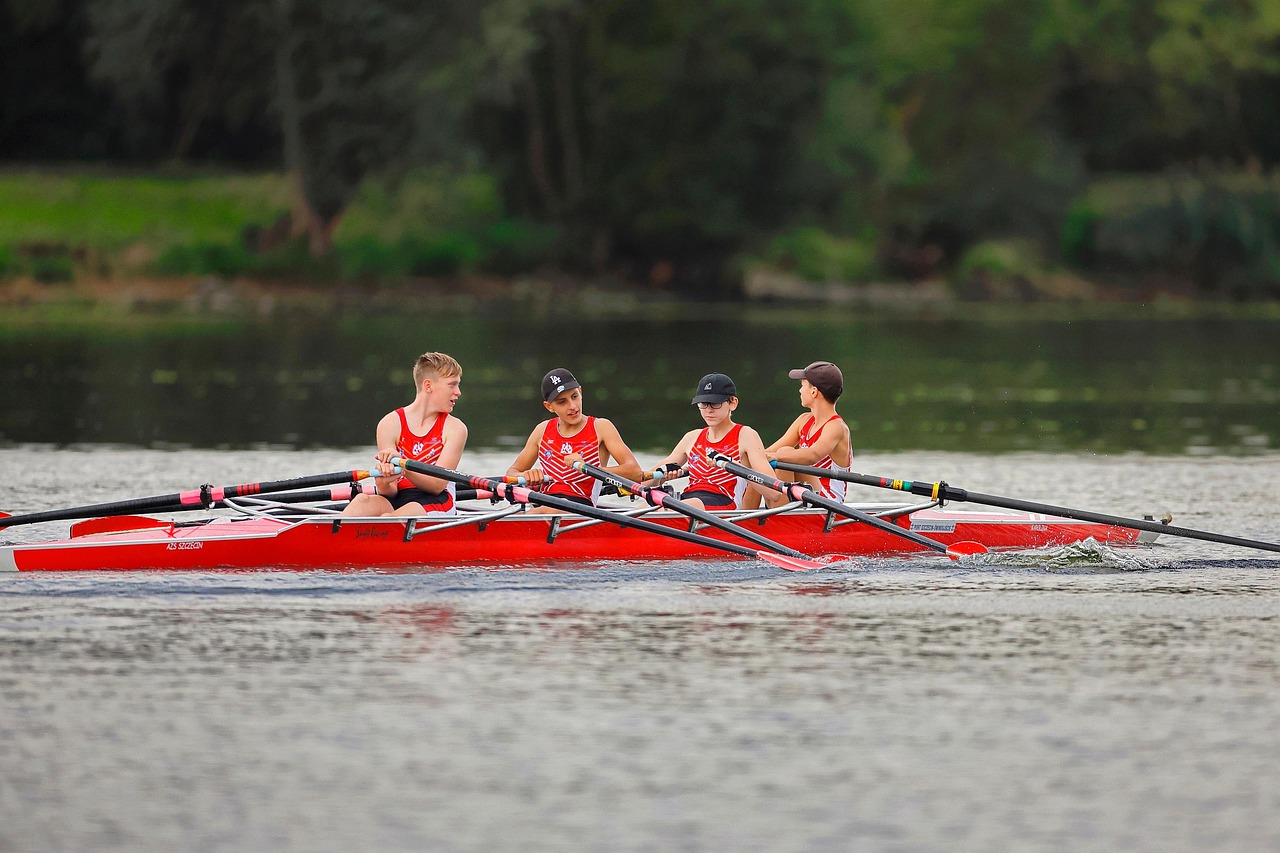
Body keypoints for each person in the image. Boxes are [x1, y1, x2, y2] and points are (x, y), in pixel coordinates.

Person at [342, 351, 468, 517]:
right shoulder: (389, 424)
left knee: (390, 519)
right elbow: (390, 492)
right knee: (361, 502)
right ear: (428, 386)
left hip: (438, 501)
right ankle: (328, 539)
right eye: (452, 385)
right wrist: (383, 481)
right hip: (398, 499)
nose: (458, 392)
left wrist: (403, 466)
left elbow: (437, 485)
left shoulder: (455, 428)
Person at [505, 368, 644, 512]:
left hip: (581, 508)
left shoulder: (601, 427)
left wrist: (589, 469)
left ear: (580, 392)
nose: (572, 406)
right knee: (538, 509)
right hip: (543, 503)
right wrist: (525, 475)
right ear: (549, 407)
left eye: (574, 396)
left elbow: (635, 472)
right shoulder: (542, 430)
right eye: (562, 402)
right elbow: (512, 473)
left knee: (546, 509)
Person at [647, 372, 778, 511]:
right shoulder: (691, 437)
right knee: (642, 509)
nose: (709, 410)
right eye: (703, 404)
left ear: (733, 403)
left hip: (724, 503)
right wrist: (661, 476)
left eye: (715, 403)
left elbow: (774, 493)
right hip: (689, 499)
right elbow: (647, 479)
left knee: (668, 508)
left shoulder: (746, 436)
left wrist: (731, 465)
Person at [745, 360, 852, 508]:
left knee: (785, 454)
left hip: (828, 501)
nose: (799, 391)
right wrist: (745, 459)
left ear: (814, 391)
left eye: (802, 386)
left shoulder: (836, 427)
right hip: (806, 493)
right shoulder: (803, 420)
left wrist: (777, 456)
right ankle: (746, 517)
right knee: (757, 464)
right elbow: (768, 452)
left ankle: (778, 516)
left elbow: (812, 455)